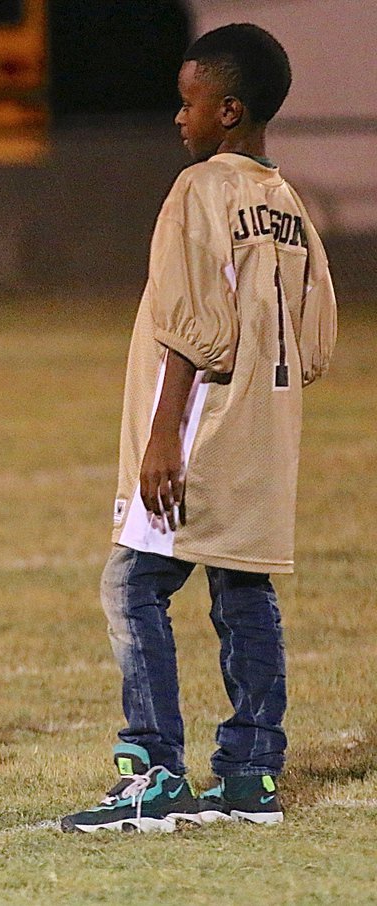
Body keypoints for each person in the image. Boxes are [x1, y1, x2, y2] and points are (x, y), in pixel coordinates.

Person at [60, 24, 336, 834]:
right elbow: (316, 343)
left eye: (190, 103)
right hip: (263, 430)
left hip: (195, 429)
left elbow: (194, 331)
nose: (178, 119)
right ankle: (252, 776)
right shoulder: (291, 203)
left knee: (131, 584)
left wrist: (159, 440)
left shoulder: (199, 191)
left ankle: (151, 769)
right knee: (243, 588)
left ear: (230, 108)